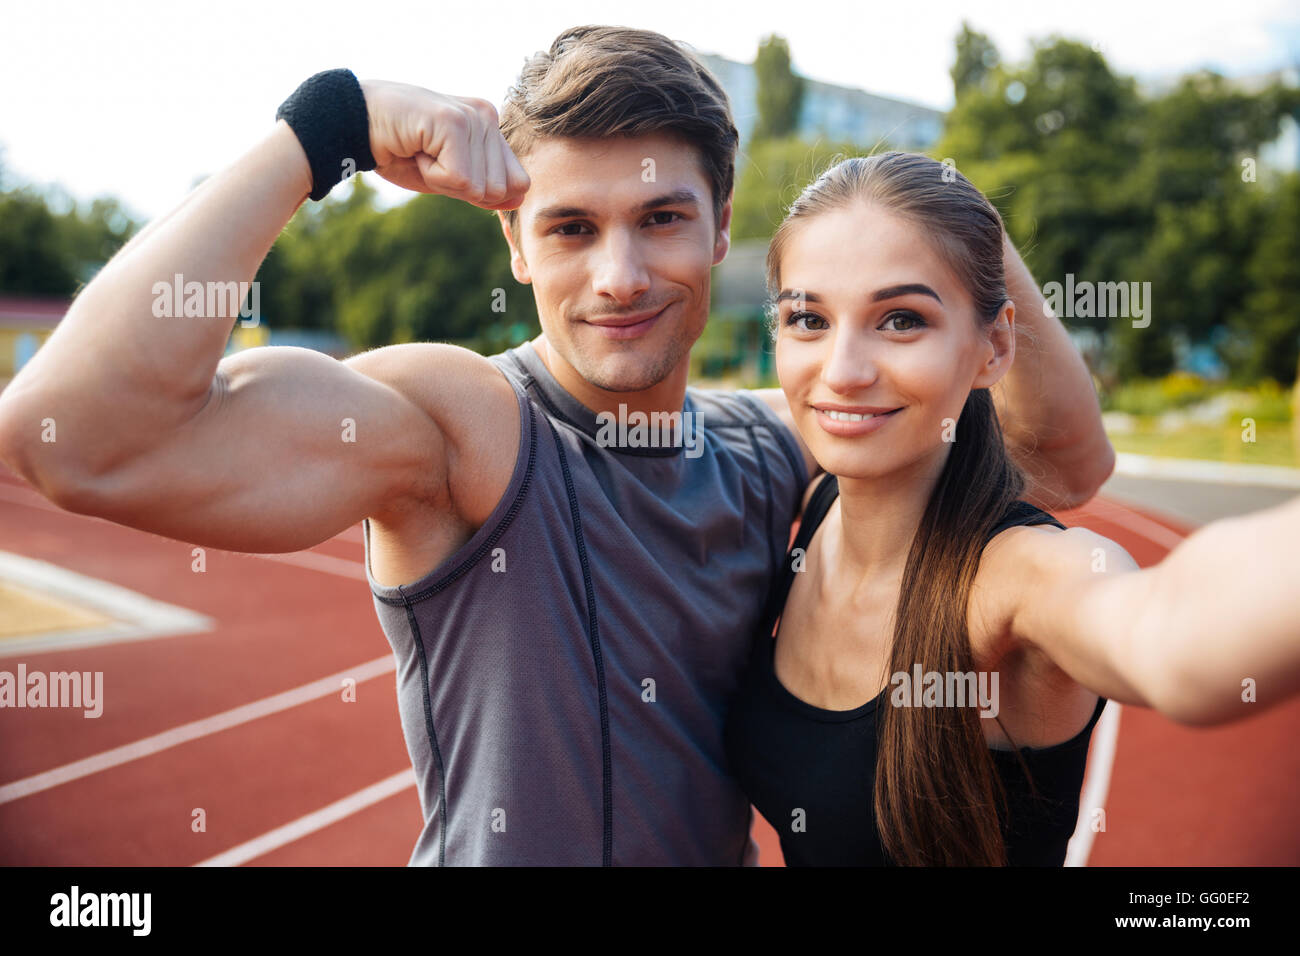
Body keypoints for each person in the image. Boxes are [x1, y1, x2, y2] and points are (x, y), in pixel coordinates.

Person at [0, 27, 1114, 865]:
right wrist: (323, 127)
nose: (620, 276)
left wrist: (943, 215)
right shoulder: (460, 423)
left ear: (723, 228)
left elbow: (1058, 461)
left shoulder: (763, 444)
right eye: (572, 228)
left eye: (661, 219)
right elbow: (75, 441)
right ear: (516, 243)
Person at [722, 151, 1300, 866]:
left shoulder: (1014, 578)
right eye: (807, 318)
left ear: (995, 347)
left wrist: (963, 210)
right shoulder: (814, 497)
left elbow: (1169, 632)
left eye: (901, 319)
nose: (842, 371)